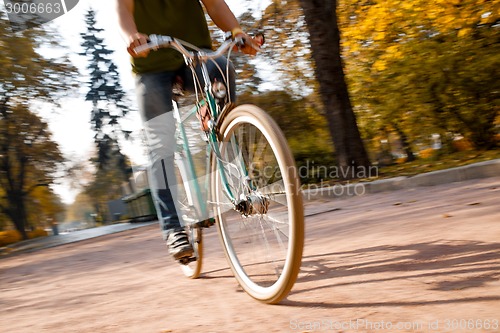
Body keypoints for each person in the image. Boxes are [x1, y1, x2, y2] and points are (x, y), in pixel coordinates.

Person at [115, 0, 262, 261]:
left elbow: (215, 6)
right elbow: (124, 10)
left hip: (195, 57)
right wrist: (132, 36)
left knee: (222, 67)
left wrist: (237, 32)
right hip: (151, 65)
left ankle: (223, 139)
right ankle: (173, 229)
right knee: (160, 146)